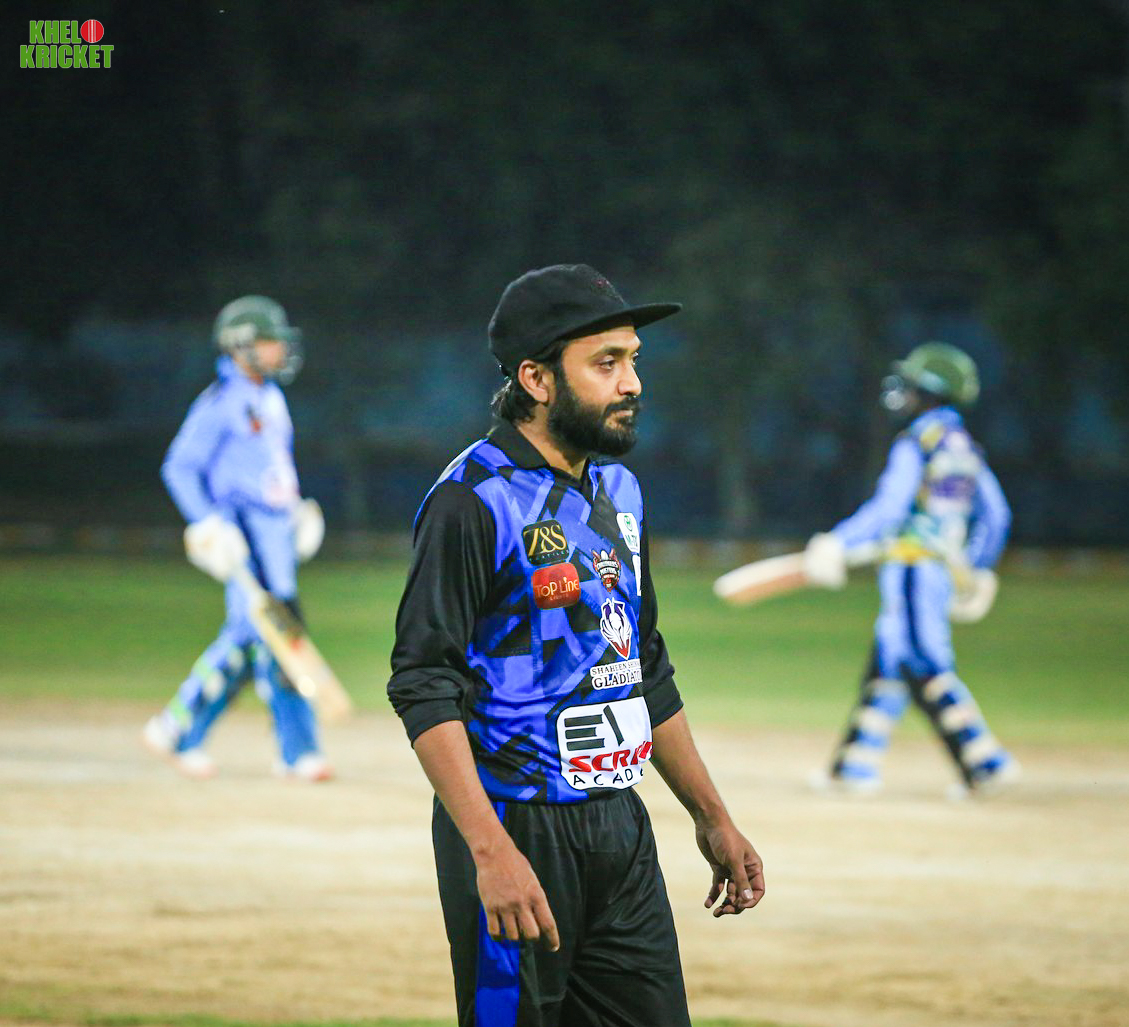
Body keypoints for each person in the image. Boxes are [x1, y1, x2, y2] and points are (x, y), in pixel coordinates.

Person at [387, 264, 765, 1027]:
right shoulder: (473, 499)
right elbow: (423, 682)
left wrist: (710, 814)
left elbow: (641, 663)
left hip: (619, 829)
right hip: (516, 827)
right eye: (605, 363)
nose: (631, 383)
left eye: (632, 360)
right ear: (535, 378)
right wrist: (489, 852)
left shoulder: (619, 492)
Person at [803, 341, 1017, 799]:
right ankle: (854, 767)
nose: (905, 392)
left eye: (914, 386)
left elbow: (889, 508)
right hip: (939, 571)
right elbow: (996, 516)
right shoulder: (963, 445)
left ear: (930, 392)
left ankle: (985, 763)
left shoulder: (918, 442)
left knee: (925, 663)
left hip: (912, 569)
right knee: (889, 665)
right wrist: (978, 569)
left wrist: (838, 542)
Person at [142, 295, 332, 782]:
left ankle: (190, 732)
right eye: (269, 341)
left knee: (269, 642)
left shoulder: (270, 397)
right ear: (241, 345)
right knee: (264, 638)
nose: (279, 350)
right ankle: (184, 728)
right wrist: (207, 523)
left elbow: (269, 469)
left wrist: (294, 512)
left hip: (274, 538)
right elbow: (180, 467)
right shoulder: (221, 403)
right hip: (244, 539)